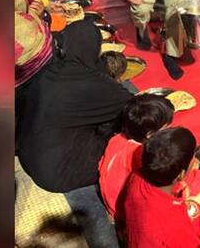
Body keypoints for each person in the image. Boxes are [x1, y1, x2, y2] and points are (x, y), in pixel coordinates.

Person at [17, 20, 133, 248]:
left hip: (29, 150)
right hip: (55, 172)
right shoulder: (90, 83)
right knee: (121, 145)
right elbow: (132, 106)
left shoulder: (50, 70)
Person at [124, 127, 200, 248]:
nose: (195, 160)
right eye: (193, 158)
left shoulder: (137, 177)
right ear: (181, 175)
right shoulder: (176, 228)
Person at [98, 95, 173, 224]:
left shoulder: (117, 139)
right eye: (167, 128)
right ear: (150, 135)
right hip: (122, 209)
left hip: (108, 194)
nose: (171, 130)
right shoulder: (141, 154)